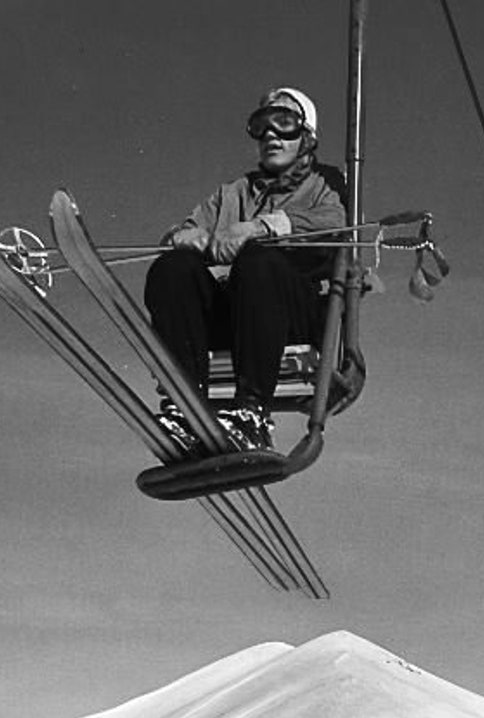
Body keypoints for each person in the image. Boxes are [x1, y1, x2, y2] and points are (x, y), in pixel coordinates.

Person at [145, 87, 347, 453]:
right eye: (261, 126)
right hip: (235, 318)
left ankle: (251, 412)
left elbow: (335, 225)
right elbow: (184, 230)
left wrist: (262, 226)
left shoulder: (327, 184)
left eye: (284, 124)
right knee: (173, 269)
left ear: (306, 136)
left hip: (291, 316)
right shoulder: (233, 193)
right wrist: (183, 236)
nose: (271, 135)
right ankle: (186, 405)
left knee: (258, 261)